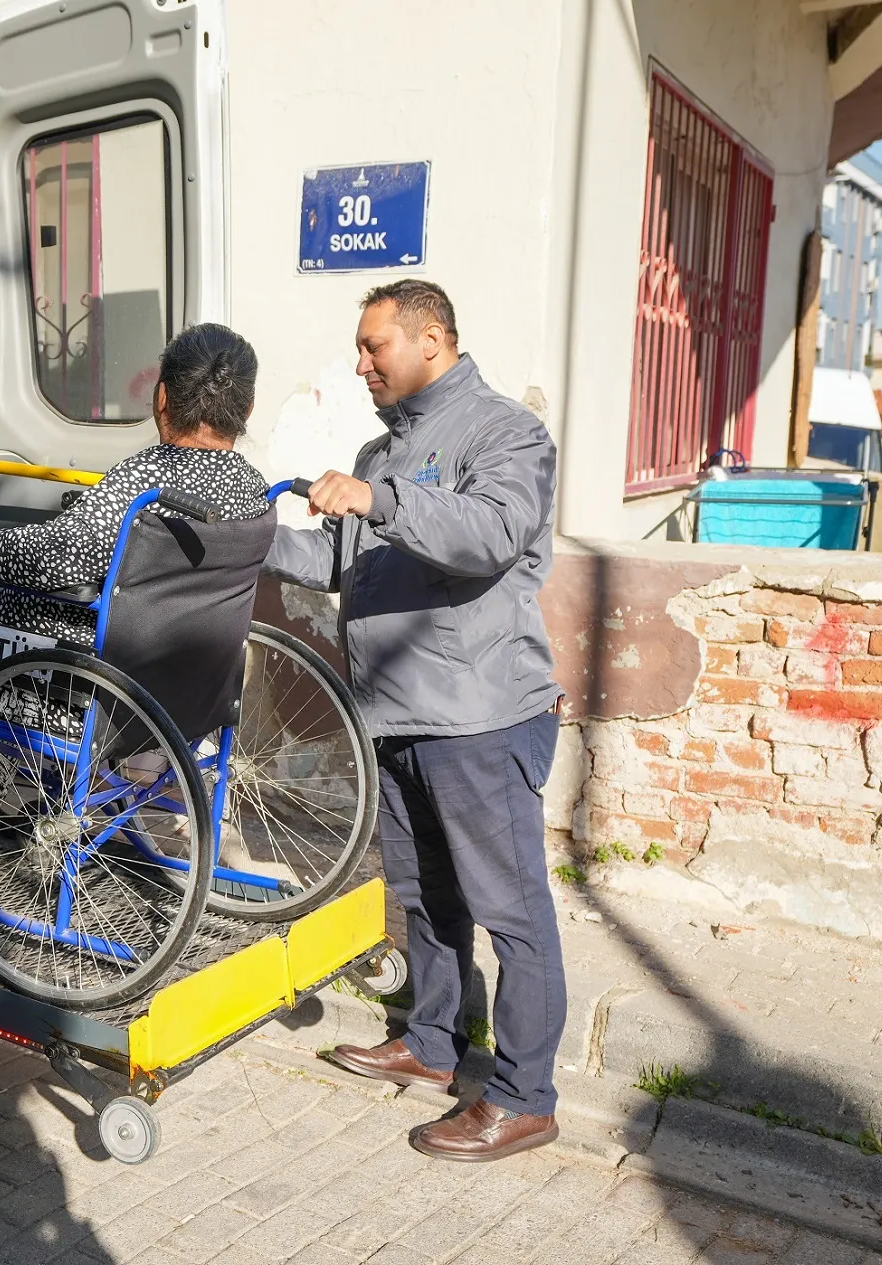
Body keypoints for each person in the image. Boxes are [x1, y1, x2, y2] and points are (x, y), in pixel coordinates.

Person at [261, 280, 565, 1163]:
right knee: (425, 898)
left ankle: (524, 1096)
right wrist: (244, 538)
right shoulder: (380, 447)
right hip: (396, 716)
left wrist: (376, 499)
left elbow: (488, 535)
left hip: (477, 718)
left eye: (373, 347)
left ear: (431, 340)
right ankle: (432, 1047)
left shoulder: (505, 433)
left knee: (511, 912)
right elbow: (335, 559)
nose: (360, 365)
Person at [0, 323, 273, 849]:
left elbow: (55, 557)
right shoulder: (256, 492)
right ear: (246, 409)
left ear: (162, 397)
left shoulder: (145, 483)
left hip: (80, 696)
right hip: (185, 697)